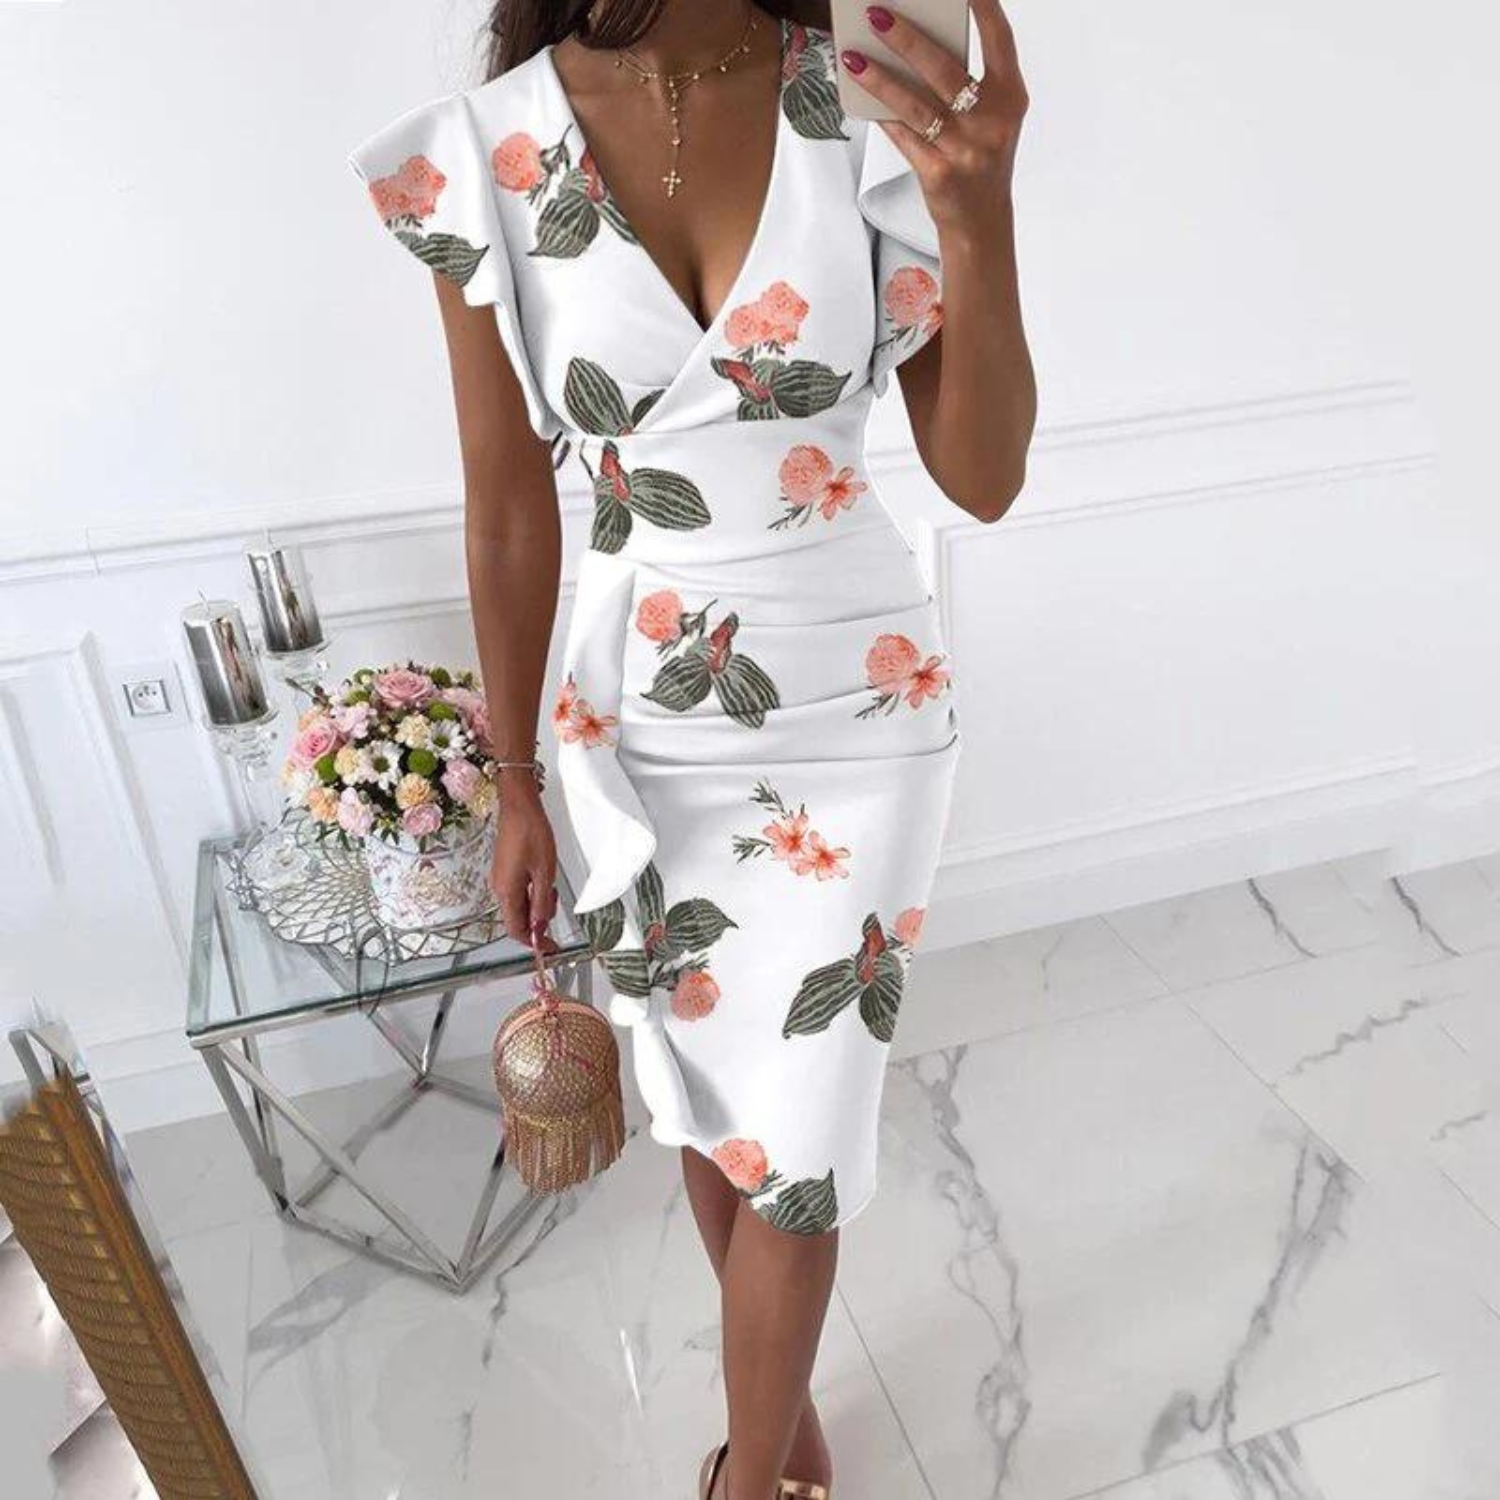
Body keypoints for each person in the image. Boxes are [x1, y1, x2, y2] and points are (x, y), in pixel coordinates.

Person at [347, 3, 1033, 1494]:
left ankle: (745, 1477)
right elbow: (506, 508)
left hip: (860, 714)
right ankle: (782, 1427)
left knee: (802, 1144)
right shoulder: (488, 152)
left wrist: (978, 216)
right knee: (711, 1090)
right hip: (635, 724)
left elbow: (982, 479)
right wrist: (517, 784)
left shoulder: (859, 103)